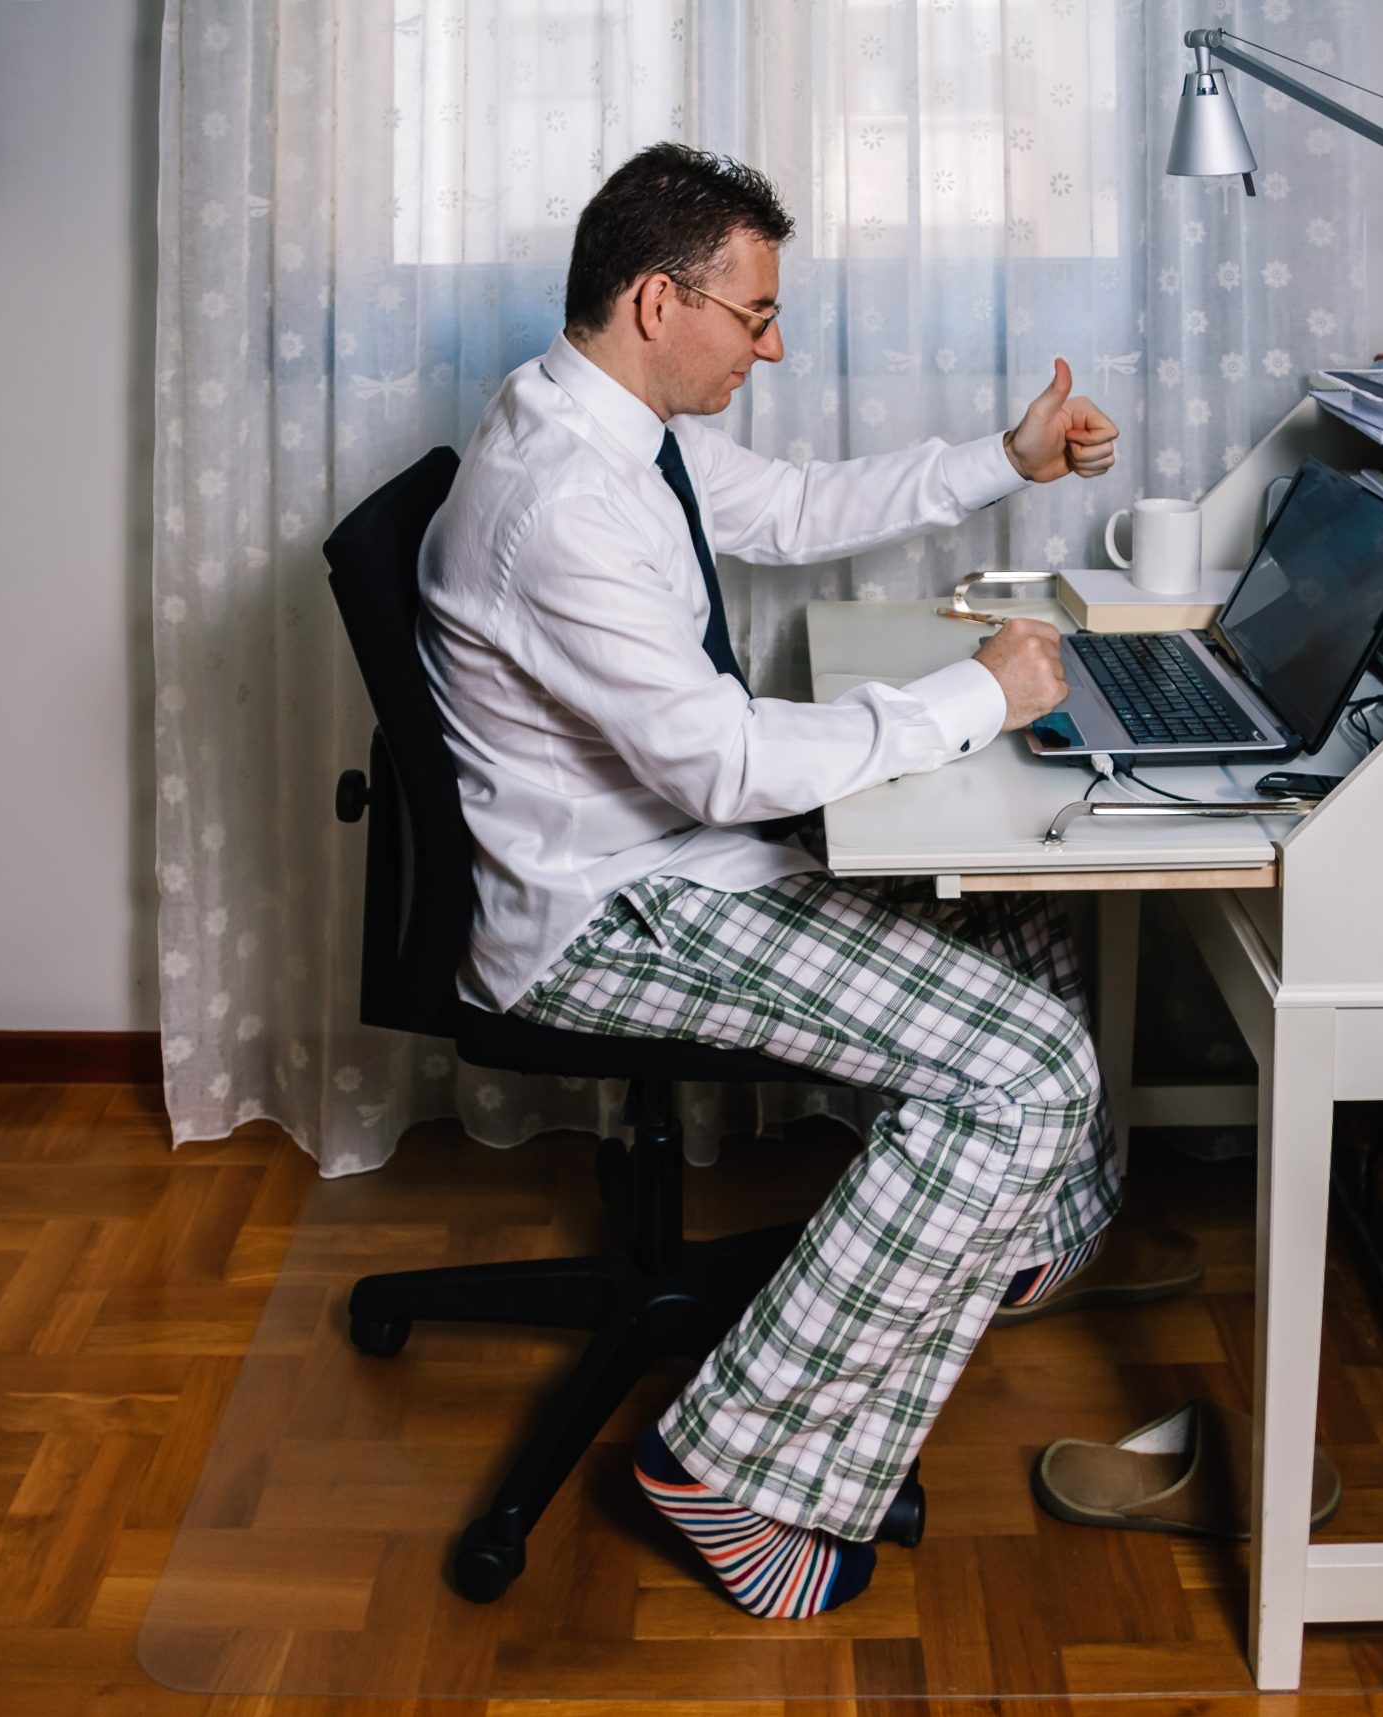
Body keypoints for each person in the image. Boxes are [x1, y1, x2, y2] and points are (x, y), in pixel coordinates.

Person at [419, 143, 1144, 1620]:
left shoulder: (609, 416)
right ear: (654, 298)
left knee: (1014, 889)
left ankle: (992, 1247)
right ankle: (730, 1457)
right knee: (1023, 1069)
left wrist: (998, 465)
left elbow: (786, 511)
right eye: (751, 316)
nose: (775, 342)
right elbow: (718, 770)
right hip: (603, 915)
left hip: (659, 854)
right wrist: (970, 698)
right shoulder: (560, 496)